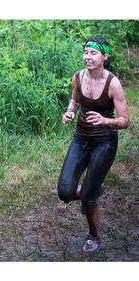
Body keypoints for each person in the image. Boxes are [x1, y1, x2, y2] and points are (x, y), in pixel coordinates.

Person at [57, 37, 130, 254]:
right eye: (86, 52)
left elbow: (125, 121)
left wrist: (106, 120)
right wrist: (70, 111)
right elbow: (75, 100)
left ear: (104, 57)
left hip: (104, 143)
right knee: (64, 192)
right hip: (81, 138)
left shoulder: (113, 83)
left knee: (88, 197)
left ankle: (94, 236)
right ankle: (93, 189)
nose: (88, 57)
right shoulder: (78, 77)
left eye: (94, 53)